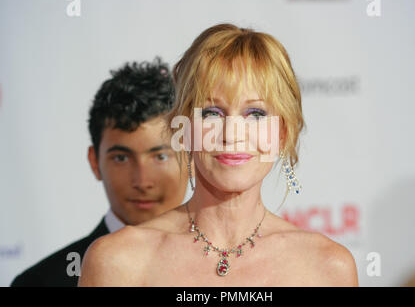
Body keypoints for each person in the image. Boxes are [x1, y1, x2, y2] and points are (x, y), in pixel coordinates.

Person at [78, 24, 358, 286]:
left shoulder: (327, 268)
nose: (232, 134)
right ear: (183, 128)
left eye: (256, 114)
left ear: (282, 133)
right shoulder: (117, 262)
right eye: (212, 113)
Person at [11, 58, 190, 287]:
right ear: (94, 162)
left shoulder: (232, 270)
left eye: (161, 156)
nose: (142, 181)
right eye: (121, 158)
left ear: (191, 158)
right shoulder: (41, 282)